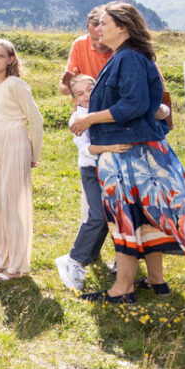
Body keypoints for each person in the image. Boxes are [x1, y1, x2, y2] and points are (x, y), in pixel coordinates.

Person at [69, 1, 185, 303]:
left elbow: (133, 105)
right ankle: (155, 279)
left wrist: (89, 118)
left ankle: (123, 288)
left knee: (126, 218)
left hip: (131, 155)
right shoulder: (125, 56)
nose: (98, 29)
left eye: (105, 23)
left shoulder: (129, 59)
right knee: (143, 216)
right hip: (134, 149)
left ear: (123, 27)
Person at [0, 39, 44, 281]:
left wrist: (33, 154)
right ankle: (3, 258)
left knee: (12, 202)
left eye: (0, 55)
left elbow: (36, 120)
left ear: (10, 59)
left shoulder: (16, 84)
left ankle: (17, 265)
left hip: (16, 140)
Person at [55, 75, 111, 291]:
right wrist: (112, 147)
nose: (87, 95)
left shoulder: (105, 109)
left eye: (90, 89)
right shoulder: (78, 117)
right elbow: (86, 148)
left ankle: (85, 258)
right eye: (80, 94)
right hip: (91, 170)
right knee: (96, 216)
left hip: (109, 169)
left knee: (107, 217)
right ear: (75, 100)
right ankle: (73, 259)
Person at [59, 6, 113, 94]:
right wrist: (72, 85)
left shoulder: (123, 49)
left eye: (102, 37)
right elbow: (64, 90)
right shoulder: (79, 44)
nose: (99, 44)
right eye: (94, 39)